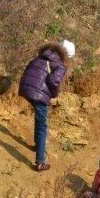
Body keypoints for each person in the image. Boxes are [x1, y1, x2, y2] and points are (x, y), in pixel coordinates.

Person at [18, 40, 73, 172]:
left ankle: (38, 146)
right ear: (67, 55)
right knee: (42, 126)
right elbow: (54, 81)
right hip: (38, 93)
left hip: (26, 88)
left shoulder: (42, 55)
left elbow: (30, 69)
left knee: (39, 120)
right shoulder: (60, 65)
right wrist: (53, 95)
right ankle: (40, 163)